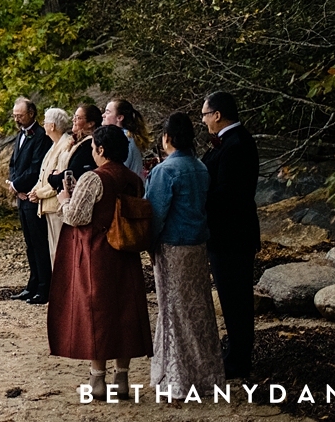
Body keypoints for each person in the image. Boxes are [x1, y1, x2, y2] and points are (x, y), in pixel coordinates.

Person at [48, 125, 153, 401]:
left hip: (97, 253)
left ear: (102, 150)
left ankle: (97, 380)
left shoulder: (93, 179)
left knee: (99, 315)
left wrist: (64, 198)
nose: (92, 152)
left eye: (93, 147)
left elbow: (76, 217)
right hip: (126, 253)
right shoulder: (134, 180)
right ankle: (122, 378)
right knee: (125, 313)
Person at [146, 112, 224, 398]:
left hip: (172, 246)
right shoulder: (200, 167)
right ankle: (207, 376)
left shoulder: (165, 170)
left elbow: (155, 213)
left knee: (173, 311)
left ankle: (176, 379)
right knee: (199, 310)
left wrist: (148, 244)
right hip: (197, 245)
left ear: (167, 137)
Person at [200, 90, 260, 380]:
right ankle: (234, 351)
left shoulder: (237, 145)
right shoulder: (226, 143)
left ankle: (240, 359)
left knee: (236, 299)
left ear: (217, 115)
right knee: (230, 297)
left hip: (233, 236)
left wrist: (198, 201)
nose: (203, 121)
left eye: (205, 115)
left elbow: (227, 194)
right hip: (226, 235)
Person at [6, 96, 50, 303]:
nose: (16, 119)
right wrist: (15, 186)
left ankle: (43, 288)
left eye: (20, 115)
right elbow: (13, 163)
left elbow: (36, 168)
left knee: (39, 243)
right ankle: (32, 284)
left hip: (33, 197)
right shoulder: (19, 135)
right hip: (21, 197)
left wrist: (18, 186)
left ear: (31, 114)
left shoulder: (41, 136)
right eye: (15, 115)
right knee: (29, 243)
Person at [30, 107, 75, 268]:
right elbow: (44, 174)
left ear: (52, 126)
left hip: (56, 205)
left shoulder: (65, 144)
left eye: (45, 122)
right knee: (53, 251)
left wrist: (39, 194)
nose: (43, 125)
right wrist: (35, 190)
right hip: (48, 206)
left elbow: (57, 179)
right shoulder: (54, 145)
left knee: (59, 251)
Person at [51, 103, 100, 191]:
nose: (73, 120)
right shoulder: (76, 141)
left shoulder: (88, 144)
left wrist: (52, 178)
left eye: (78, 118)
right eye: (74, 116)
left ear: (90, 124)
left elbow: (73, 172)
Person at [103, 98, 148, 182]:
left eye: (107, 112)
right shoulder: (124, 136)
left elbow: (119, 170)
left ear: (119, 118)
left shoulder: (124, 139)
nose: (103, 115)